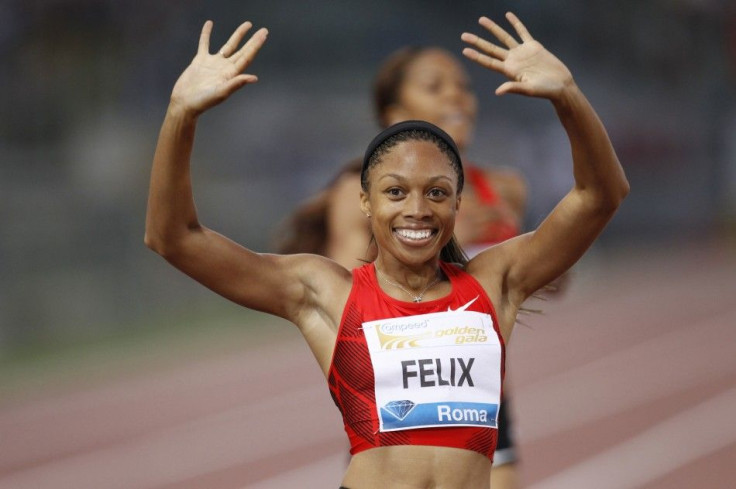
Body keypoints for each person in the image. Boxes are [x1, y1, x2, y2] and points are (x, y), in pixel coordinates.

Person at [145, 12, 629, 489]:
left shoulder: (494, 282)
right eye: (395, 192)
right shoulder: (325, 292)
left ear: (457, 203)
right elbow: (175, 237)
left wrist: (567, 95)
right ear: (365, 202)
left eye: (436, 193)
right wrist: (180, 114)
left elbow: (599, 196)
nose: (417, 209)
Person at [275, 45, 530, 488]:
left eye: (464, 87)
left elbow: (537, 277)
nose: (456, 97)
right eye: (435, 87)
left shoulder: (503, 188)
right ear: (395, 113)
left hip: (479, 404)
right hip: (395, 404)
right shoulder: (353, 195)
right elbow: (351, 300)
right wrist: (449, 236)